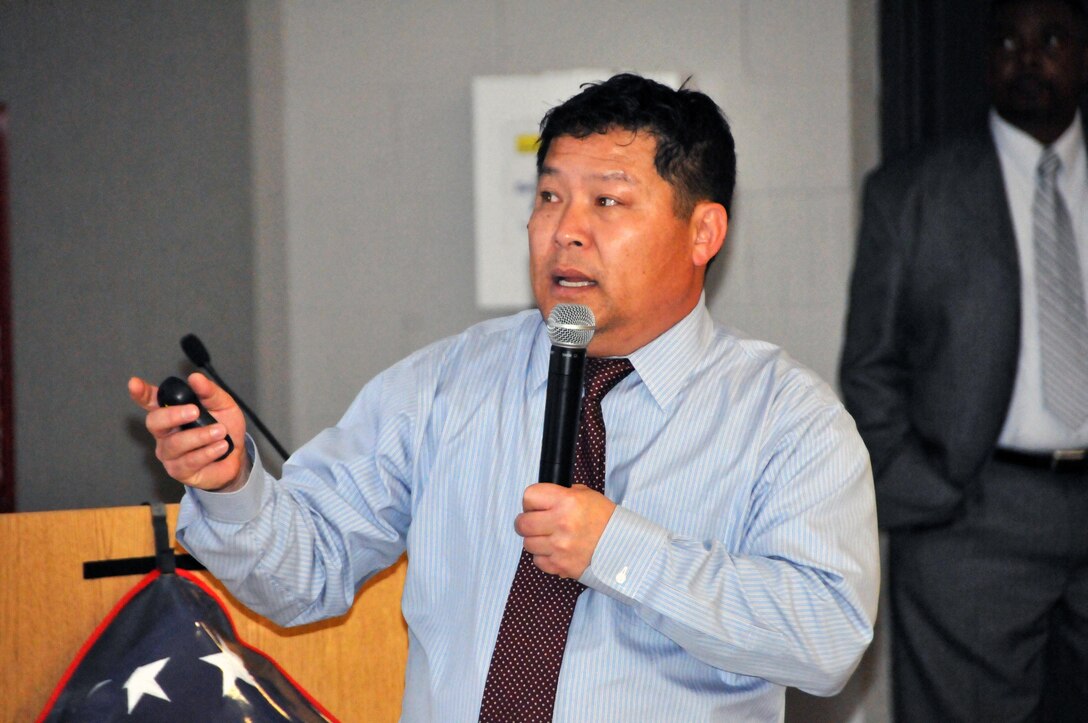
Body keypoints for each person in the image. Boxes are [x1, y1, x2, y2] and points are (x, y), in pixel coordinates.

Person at [131, 73, 878, 721]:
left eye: (608, 203)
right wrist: (231, 484)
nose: (565, 232)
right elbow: (306, 571)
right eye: (549, 196)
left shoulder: (787, 420)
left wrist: (618, 549)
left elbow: (824, 639)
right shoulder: (446, 384)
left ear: (702, 231)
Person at [840, 0, 1088, 719]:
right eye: (1008, 41)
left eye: (1052, 38)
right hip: (974, 519)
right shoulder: (911, 191)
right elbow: (869, 369)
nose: (1028, 57)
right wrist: (924, 490)